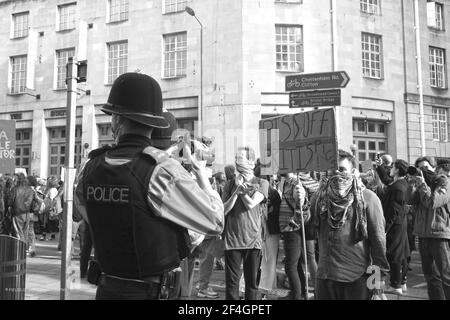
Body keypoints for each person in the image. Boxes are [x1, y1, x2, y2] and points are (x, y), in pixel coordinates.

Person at [74, 72, 224, 300]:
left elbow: (83, 213)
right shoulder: (161, 170)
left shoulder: (91, 167)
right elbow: (215, 221)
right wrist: (203, 177)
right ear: (153, 125)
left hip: (107, 289)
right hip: (150, 291)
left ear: (116, 120)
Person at [311, 149, 389, 300]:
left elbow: (378, 242)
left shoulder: (368, 198)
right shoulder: (320, 198)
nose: (336, 175)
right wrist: (304, 205)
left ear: (353, 171)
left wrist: (378, 287)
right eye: (332, 171)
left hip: (356, 278)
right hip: (325, 277)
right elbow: (309, 230)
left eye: (341, 170)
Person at [222, 147, 269, 300]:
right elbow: (223, 210)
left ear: (250, 162)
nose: (237, 161)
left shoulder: (262, 182)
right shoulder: (229, 185)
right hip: (232, 241)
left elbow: (251, 204)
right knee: (232, 284)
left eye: (241, 158)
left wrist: (241, 191)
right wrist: (236, 190)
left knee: (252, 284)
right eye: (236, 157)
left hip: (253, 241)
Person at [407, 162, 450, 300]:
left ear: (435, 167)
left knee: (446, 275)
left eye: (426, 167)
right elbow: (409, 200)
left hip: (439, 234)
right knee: (430, 276)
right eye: (420, 167)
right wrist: (413, 184)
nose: (423, 170)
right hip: (423, 234)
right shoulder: (422, 183)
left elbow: (432, 202)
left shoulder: (444, 182)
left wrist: (423, 185)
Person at [378, 159, 410, 295]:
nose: (390, 168)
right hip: (398, 224)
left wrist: (385, 229)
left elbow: (393, 211)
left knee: (394, 254)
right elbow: (386, 180)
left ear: (397, 169)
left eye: (392, 167)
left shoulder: (398, 186)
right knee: (401, 253)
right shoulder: (399, 183)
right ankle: (401, 282)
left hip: (395, 225)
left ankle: (396, 284)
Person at [277, 173, 308, 300]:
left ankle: (296, 296)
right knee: (296, 264)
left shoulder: (296, 183)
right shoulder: (286, 182)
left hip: (293, 230)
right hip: (288, 230)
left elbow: (301, 208)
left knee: (290, 266)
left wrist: (291, 225)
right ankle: (300, 293)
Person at [10, 173, 35, 243]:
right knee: (25, 233)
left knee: (18, 233)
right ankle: (24, 249)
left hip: (17, 213)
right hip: (27, 213)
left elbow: (10, 201)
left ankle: (21, 250)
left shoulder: (15, 189)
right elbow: (31, 201)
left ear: (18, 180)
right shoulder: (30, 189)